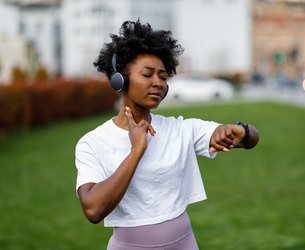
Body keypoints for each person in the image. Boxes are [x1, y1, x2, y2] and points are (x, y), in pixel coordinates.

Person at [75, 20, 259, 250]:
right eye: (147, 74)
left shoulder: (181, 129)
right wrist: (136, 151)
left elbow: (251, 138)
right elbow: (93, 210)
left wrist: (240, 129)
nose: (158, 83)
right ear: (120, 79)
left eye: (163, 77)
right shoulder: (92, 142)